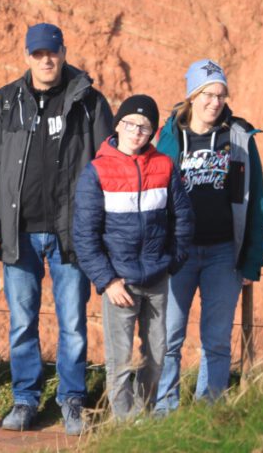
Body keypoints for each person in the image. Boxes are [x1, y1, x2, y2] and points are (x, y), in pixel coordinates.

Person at [0, 23, 112, 434]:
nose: (46, 60)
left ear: (64, 52)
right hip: (20, 232)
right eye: (38, 54)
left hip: (73, 232)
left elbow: (108, 165)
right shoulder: (5, 101)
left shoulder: (89, 102)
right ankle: (25, 399)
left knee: (72, 322)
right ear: (27, 56)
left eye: (52, 52)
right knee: (22, 322)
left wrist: (102, 226)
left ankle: (72, 400)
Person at [154, 60, 263, 414]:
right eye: (207, 94)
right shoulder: (169, 137)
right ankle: (163, 411)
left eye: (220, 95)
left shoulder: (238, 137)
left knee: (216, 340)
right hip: (179, 253)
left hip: (223, 254)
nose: (214, 102)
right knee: (169, 337)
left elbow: (257, 204)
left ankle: (208, 411)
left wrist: (251, 259)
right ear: (192, 96)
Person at [73, 95, 193, 422]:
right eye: (130, 124)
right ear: (118, 125)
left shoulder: (165, 166)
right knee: (120, 360)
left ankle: (140, 413)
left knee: (157, 357)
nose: (136, 132)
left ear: (152, 132)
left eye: (145, 127)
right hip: (119, 284)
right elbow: (84, 234)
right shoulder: (96, 171)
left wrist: (172, 263)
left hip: (157, 278)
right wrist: (107, 281)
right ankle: (126, 425)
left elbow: (182, 218)